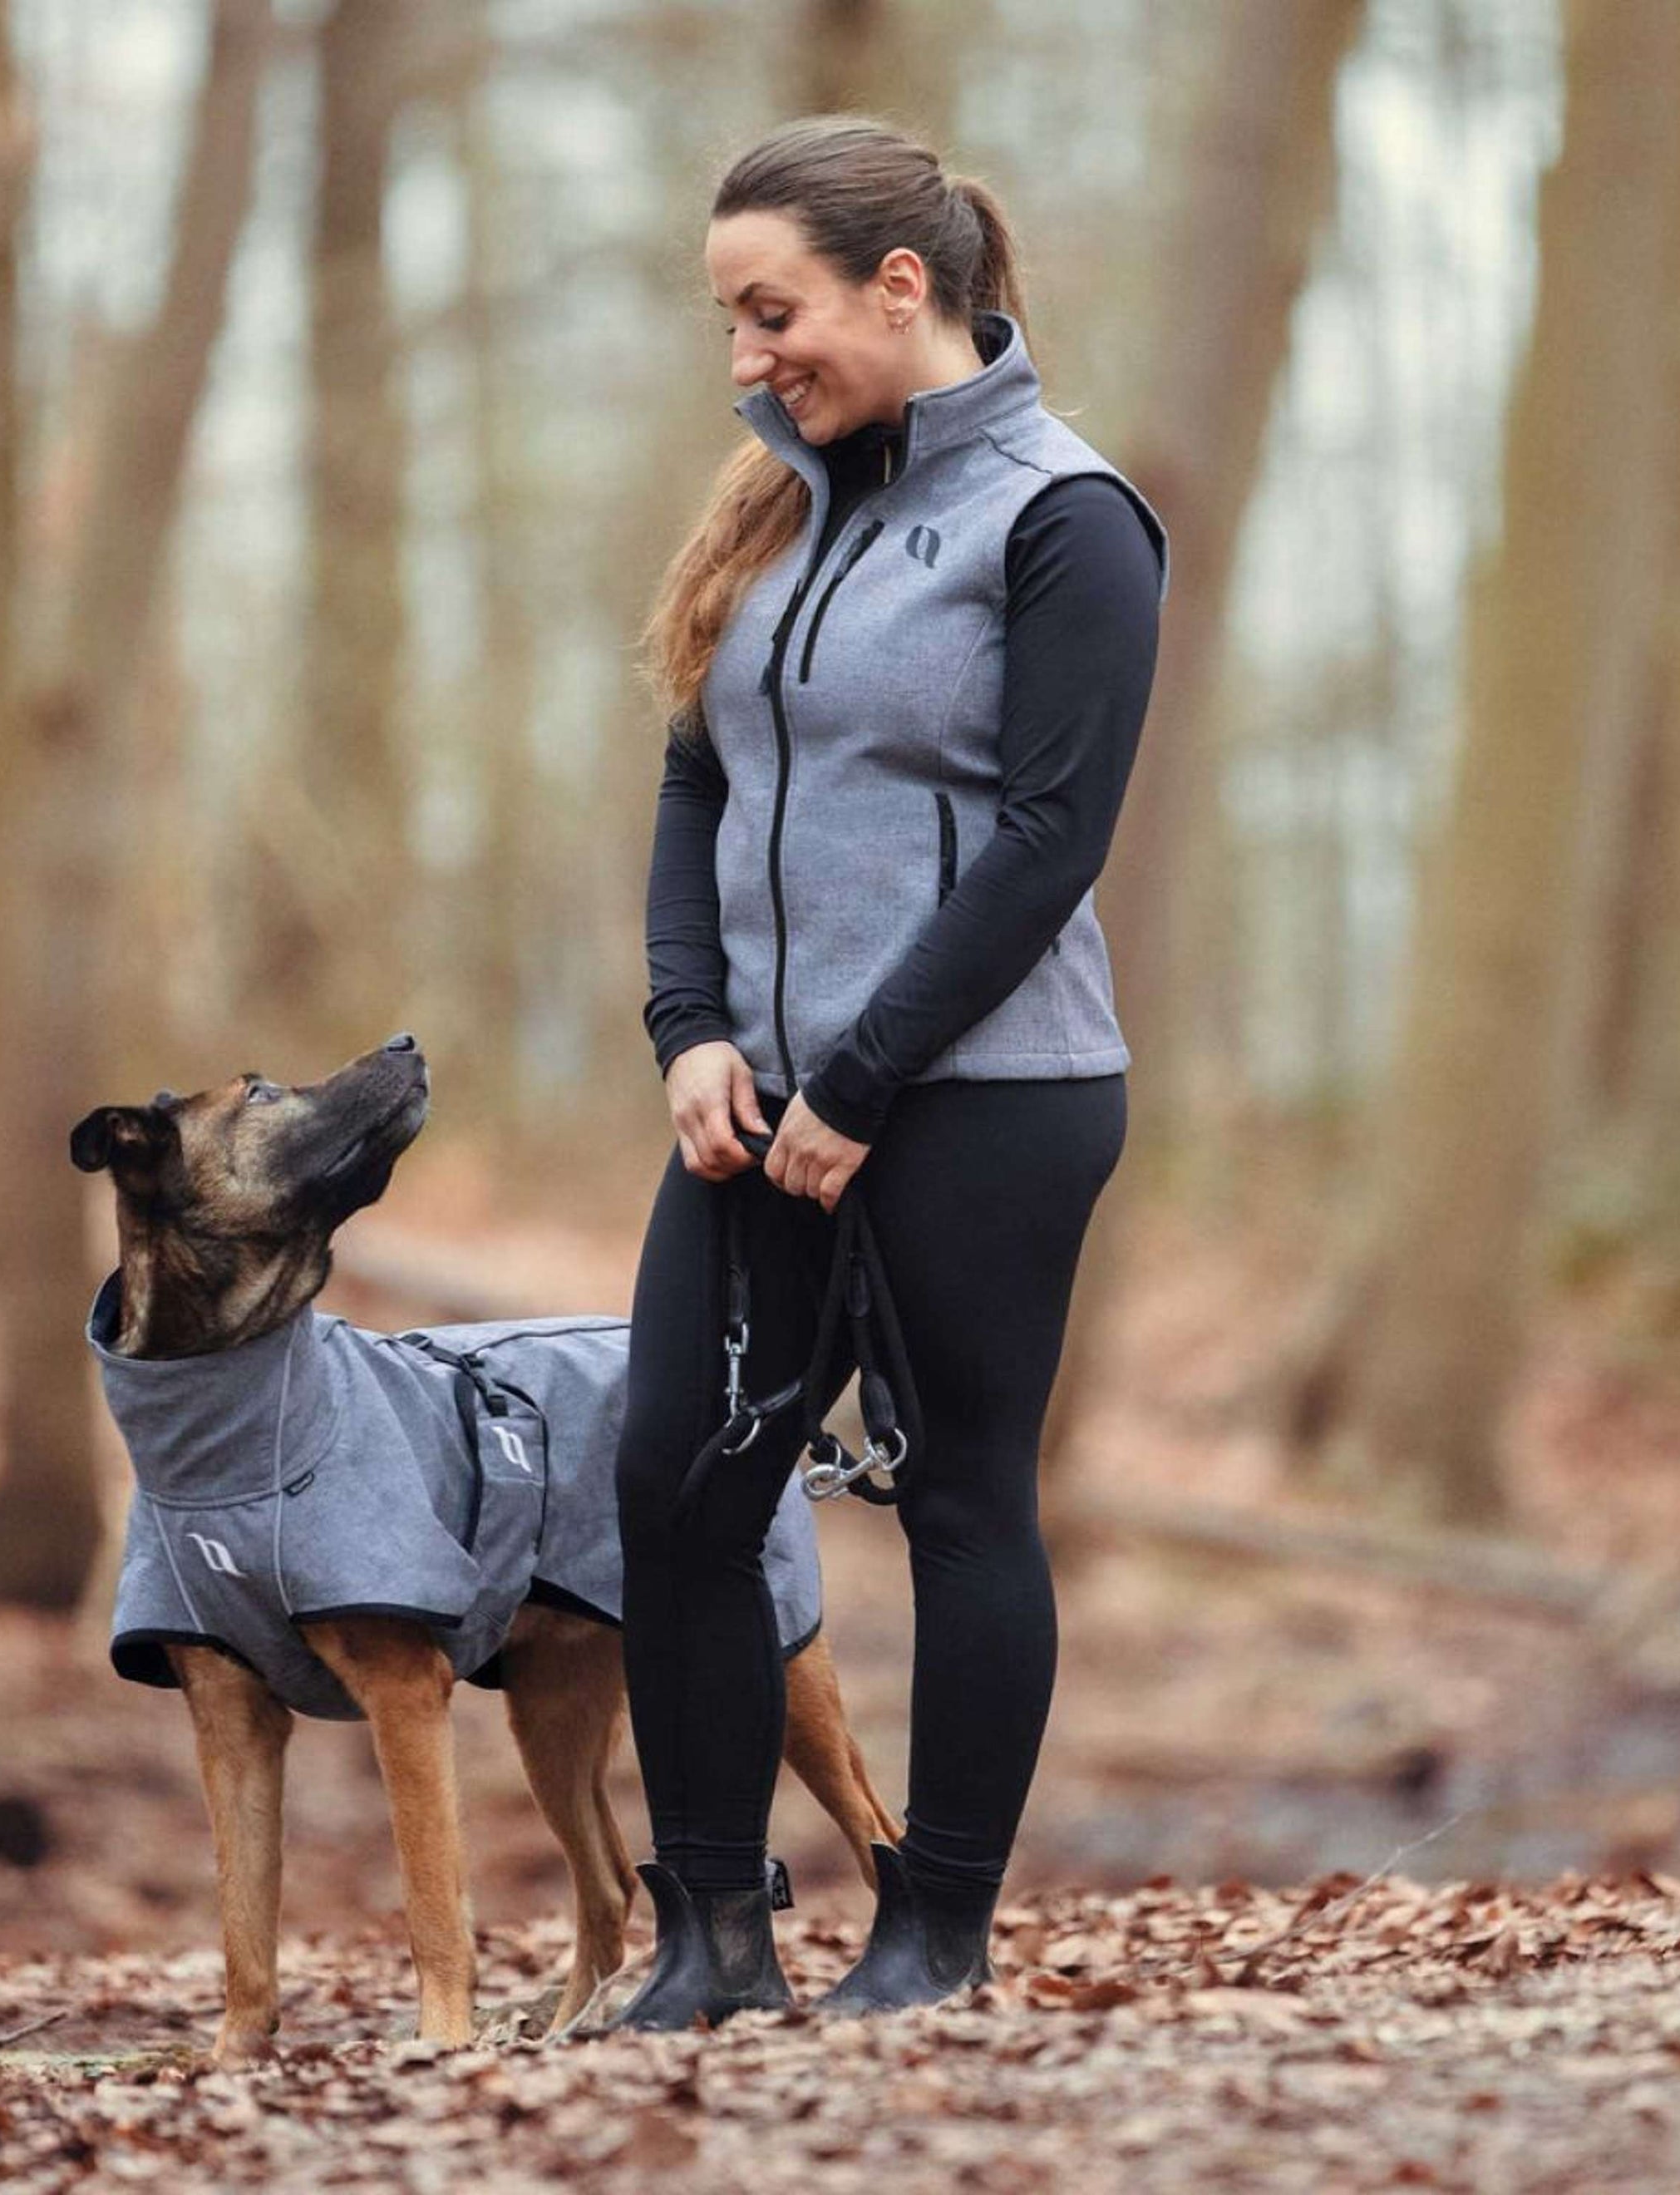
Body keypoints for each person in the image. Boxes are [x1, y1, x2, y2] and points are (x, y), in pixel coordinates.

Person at [611, 114, 1167, 2029]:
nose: (748, 359)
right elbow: (700, 776)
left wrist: (862, 1076)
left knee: (961, 1503)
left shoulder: (1065, 515)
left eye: (774, 315)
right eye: (730, 325)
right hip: (756, 1105)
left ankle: (933, 1937)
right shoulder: (784, 501)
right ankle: (708, 1934)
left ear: (899, 286)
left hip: (990, 1098)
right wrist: (691, 1030)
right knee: (675, 1479)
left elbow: (1049, 837)